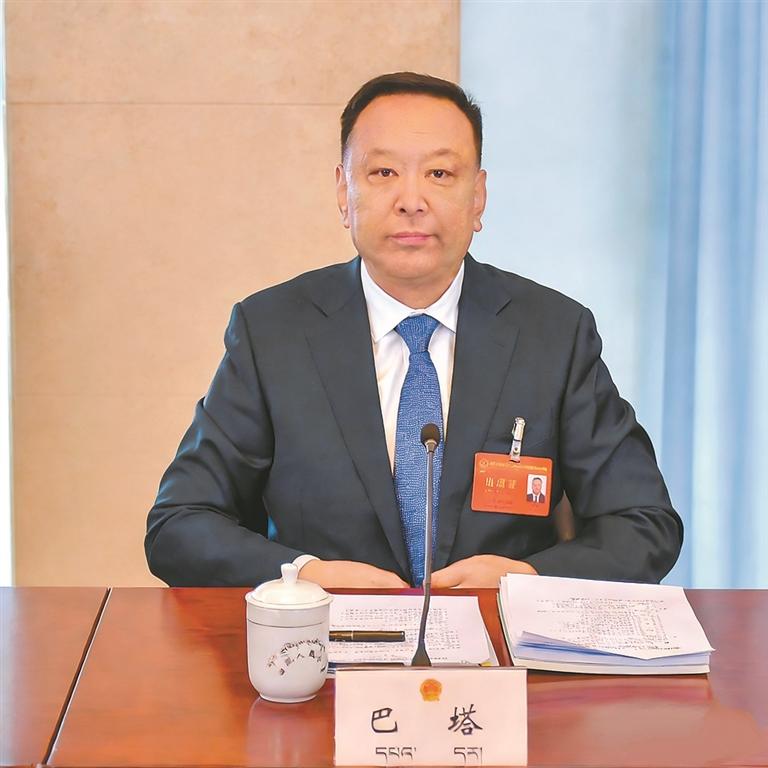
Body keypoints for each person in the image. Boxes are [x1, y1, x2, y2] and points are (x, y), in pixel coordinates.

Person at [145, 72, 682, 589]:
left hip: (498, 640)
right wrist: (304, 576)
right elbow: (179, 524)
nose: (411, 200)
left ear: (478, 197)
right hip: (322, 640)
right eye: (383, 173)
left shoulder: (553, 335)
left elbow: (644, 523)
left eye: (440, 174)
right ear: (343, 192)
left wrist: (526, 580)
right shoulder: (273, 332)